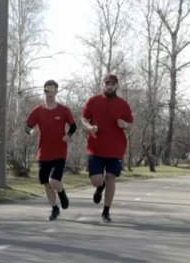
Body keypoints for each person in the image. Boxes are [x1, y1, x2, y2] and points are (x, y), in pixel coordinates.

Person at [80, 74, 133, 223]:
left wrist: (125, 125)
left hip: (116, 149)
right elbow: (83, 118)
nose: (109, 86)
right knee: (96, 180)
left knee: (111, 178)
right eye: (107, 83)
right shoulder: (93, 101)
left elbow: (130, 124)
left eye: (112, 83)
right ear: (103, 84)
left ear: (117, 86)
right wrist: (89, 127)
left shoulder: (123, 104)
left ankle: (106, 212)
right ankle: (99, 187)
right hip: (95, 148)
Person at [25, 80, 77, 221]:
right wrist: (30, 132)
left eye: (52, 90)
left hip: (59, 152)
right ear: (44, 91)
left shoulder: (64, 110)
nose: (49, 93)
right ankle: (55, 208)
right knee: (46, 184)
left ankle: (62, 194)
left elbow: (73, 126)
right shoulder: (38, 110)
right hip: (44, 153)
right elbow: (27, 125)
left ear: (56, 91)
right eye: (47, 90)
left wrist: (68, 135)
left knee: (54, 180)